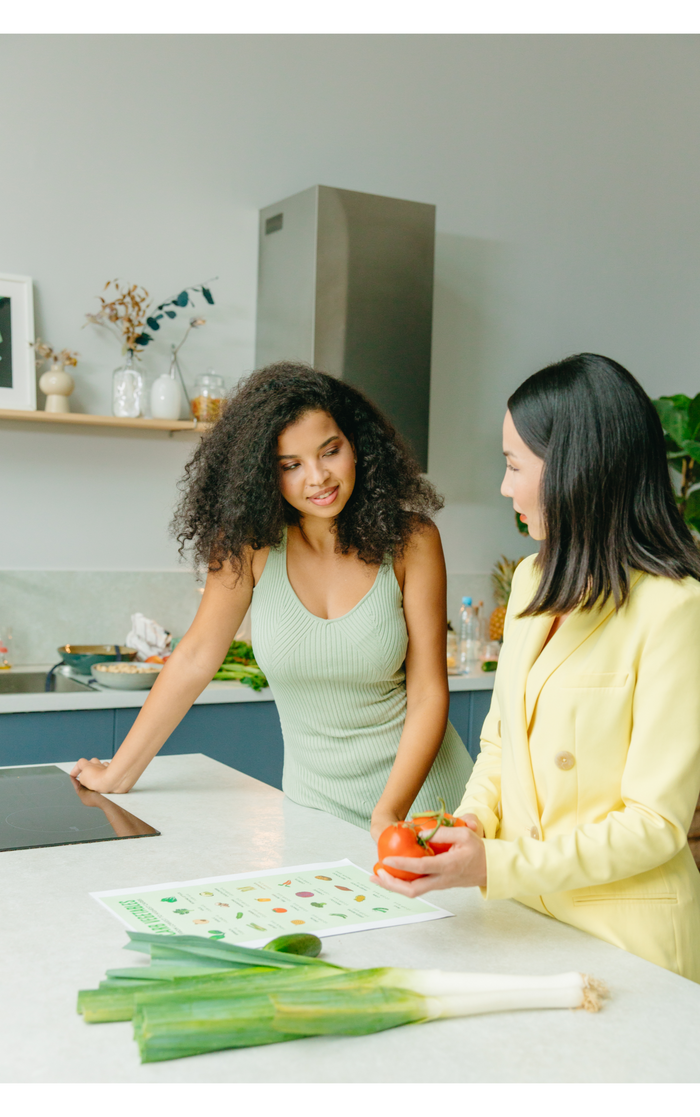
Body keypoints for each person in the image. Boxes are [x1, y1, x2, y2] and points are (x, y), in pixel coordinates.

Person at [373, 353, 700, 983]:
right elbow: (501, 744)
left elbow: (655, 825)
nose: (505, 487)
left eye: (514, 465)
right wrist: (468, 825)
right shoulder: (529, 583)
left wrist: (495, 865)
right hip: (522, 922)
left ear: (576, 471)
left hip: (628, 942)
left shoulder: (674, 607)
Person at [71, 363, 473, 837]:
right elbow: (196, 657)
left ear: (357, 445)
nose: (318, 477)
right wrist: (119, 773)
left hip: (425, 805)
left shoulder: (412, 540)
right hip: (312, 813)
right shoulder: (250, 545)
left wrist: (388, 815)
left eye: (331, 451)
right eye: (291, 465)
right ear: (263, 473)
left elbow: (428, 693)